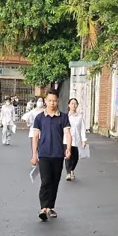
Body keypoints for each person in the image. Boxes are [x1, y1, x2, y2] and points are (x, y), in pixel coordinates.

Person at [29, 89, 74, 220]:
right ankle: (43, 208)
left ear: (58, 101)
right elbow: (35, 136)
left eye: (54, 101)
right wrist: (34, 155)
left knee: (55, 181)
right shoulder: (40, 117)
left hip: (58, 154)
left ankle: (50, 207)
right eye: (49, 101)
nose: (52, 103)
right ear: (45, 101)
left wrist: (68, 148)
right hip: (44, 154)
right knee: (46, 180)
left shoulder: (63, 117)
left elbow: (68, 134)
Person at [66, 97, 89, 180]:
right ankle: (68, 173)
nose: (73, 105)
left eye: (75, 104)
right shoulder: (65, 117)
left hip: (77, 139)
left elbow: (82, 128)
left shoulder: (80, 117)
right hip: (66, 140)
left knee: (75, 157)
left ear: (77, 105)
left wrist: (84, 140)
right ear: (69, 105)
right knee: (68, 156)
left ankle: (72, 169)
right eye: (72, 103)